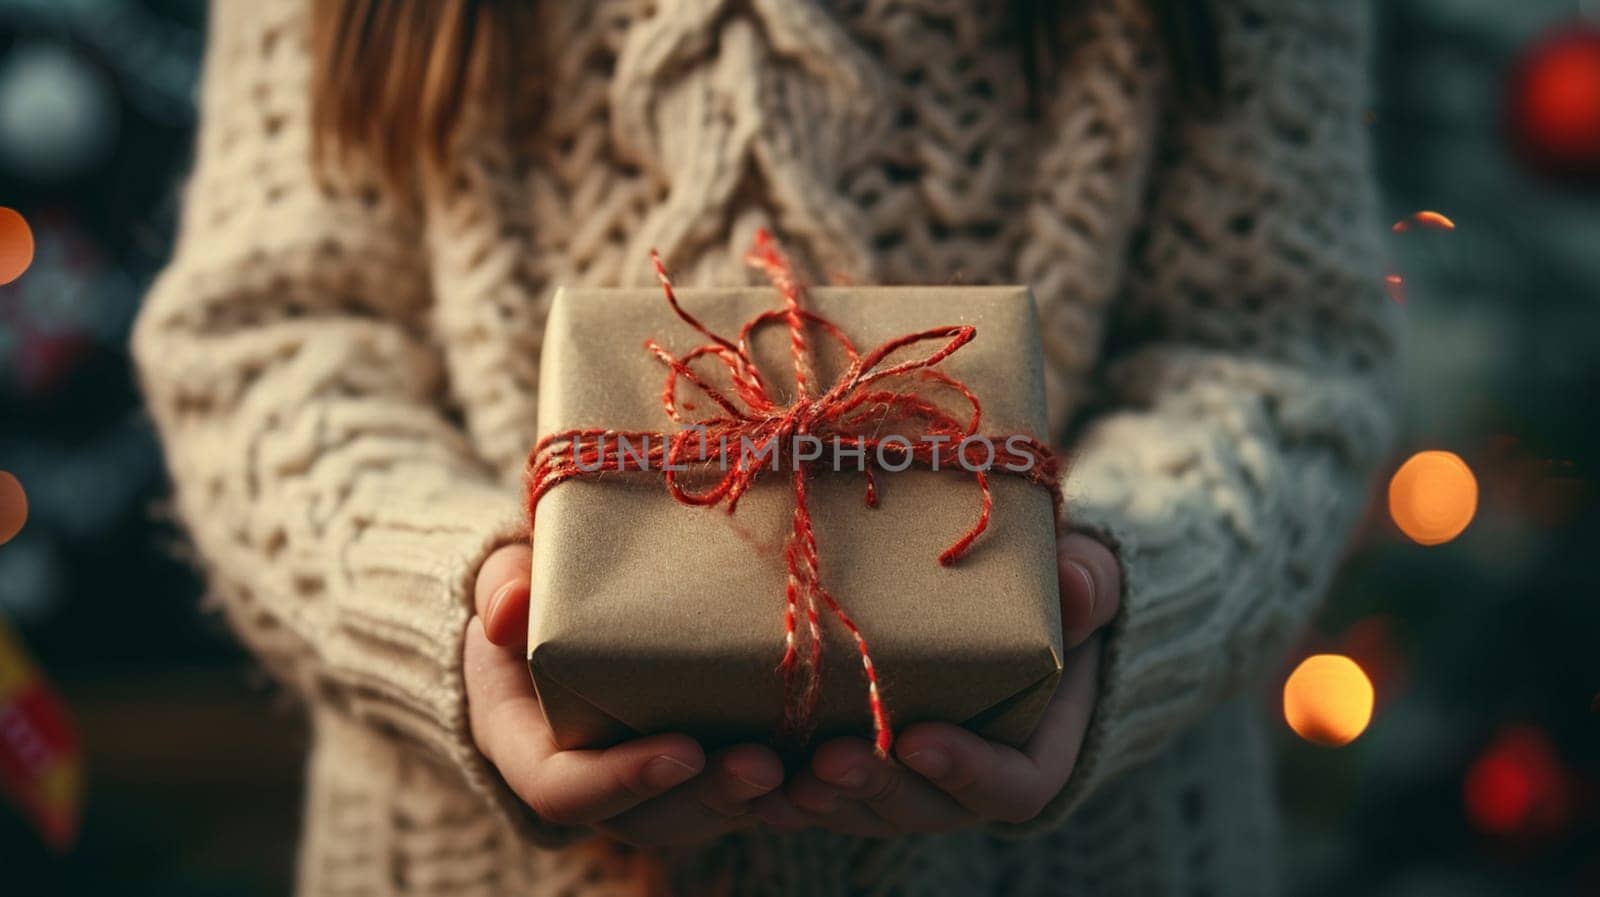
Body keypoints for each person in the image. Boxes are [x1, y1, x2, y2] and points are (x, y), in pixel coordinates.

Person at [131, 0, 1399, 894]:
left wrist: (1118, 594)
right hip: (454, 868)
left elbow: (1273, 352)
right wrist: (452, 612)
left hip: (1092, 862)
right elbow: (267, 340)